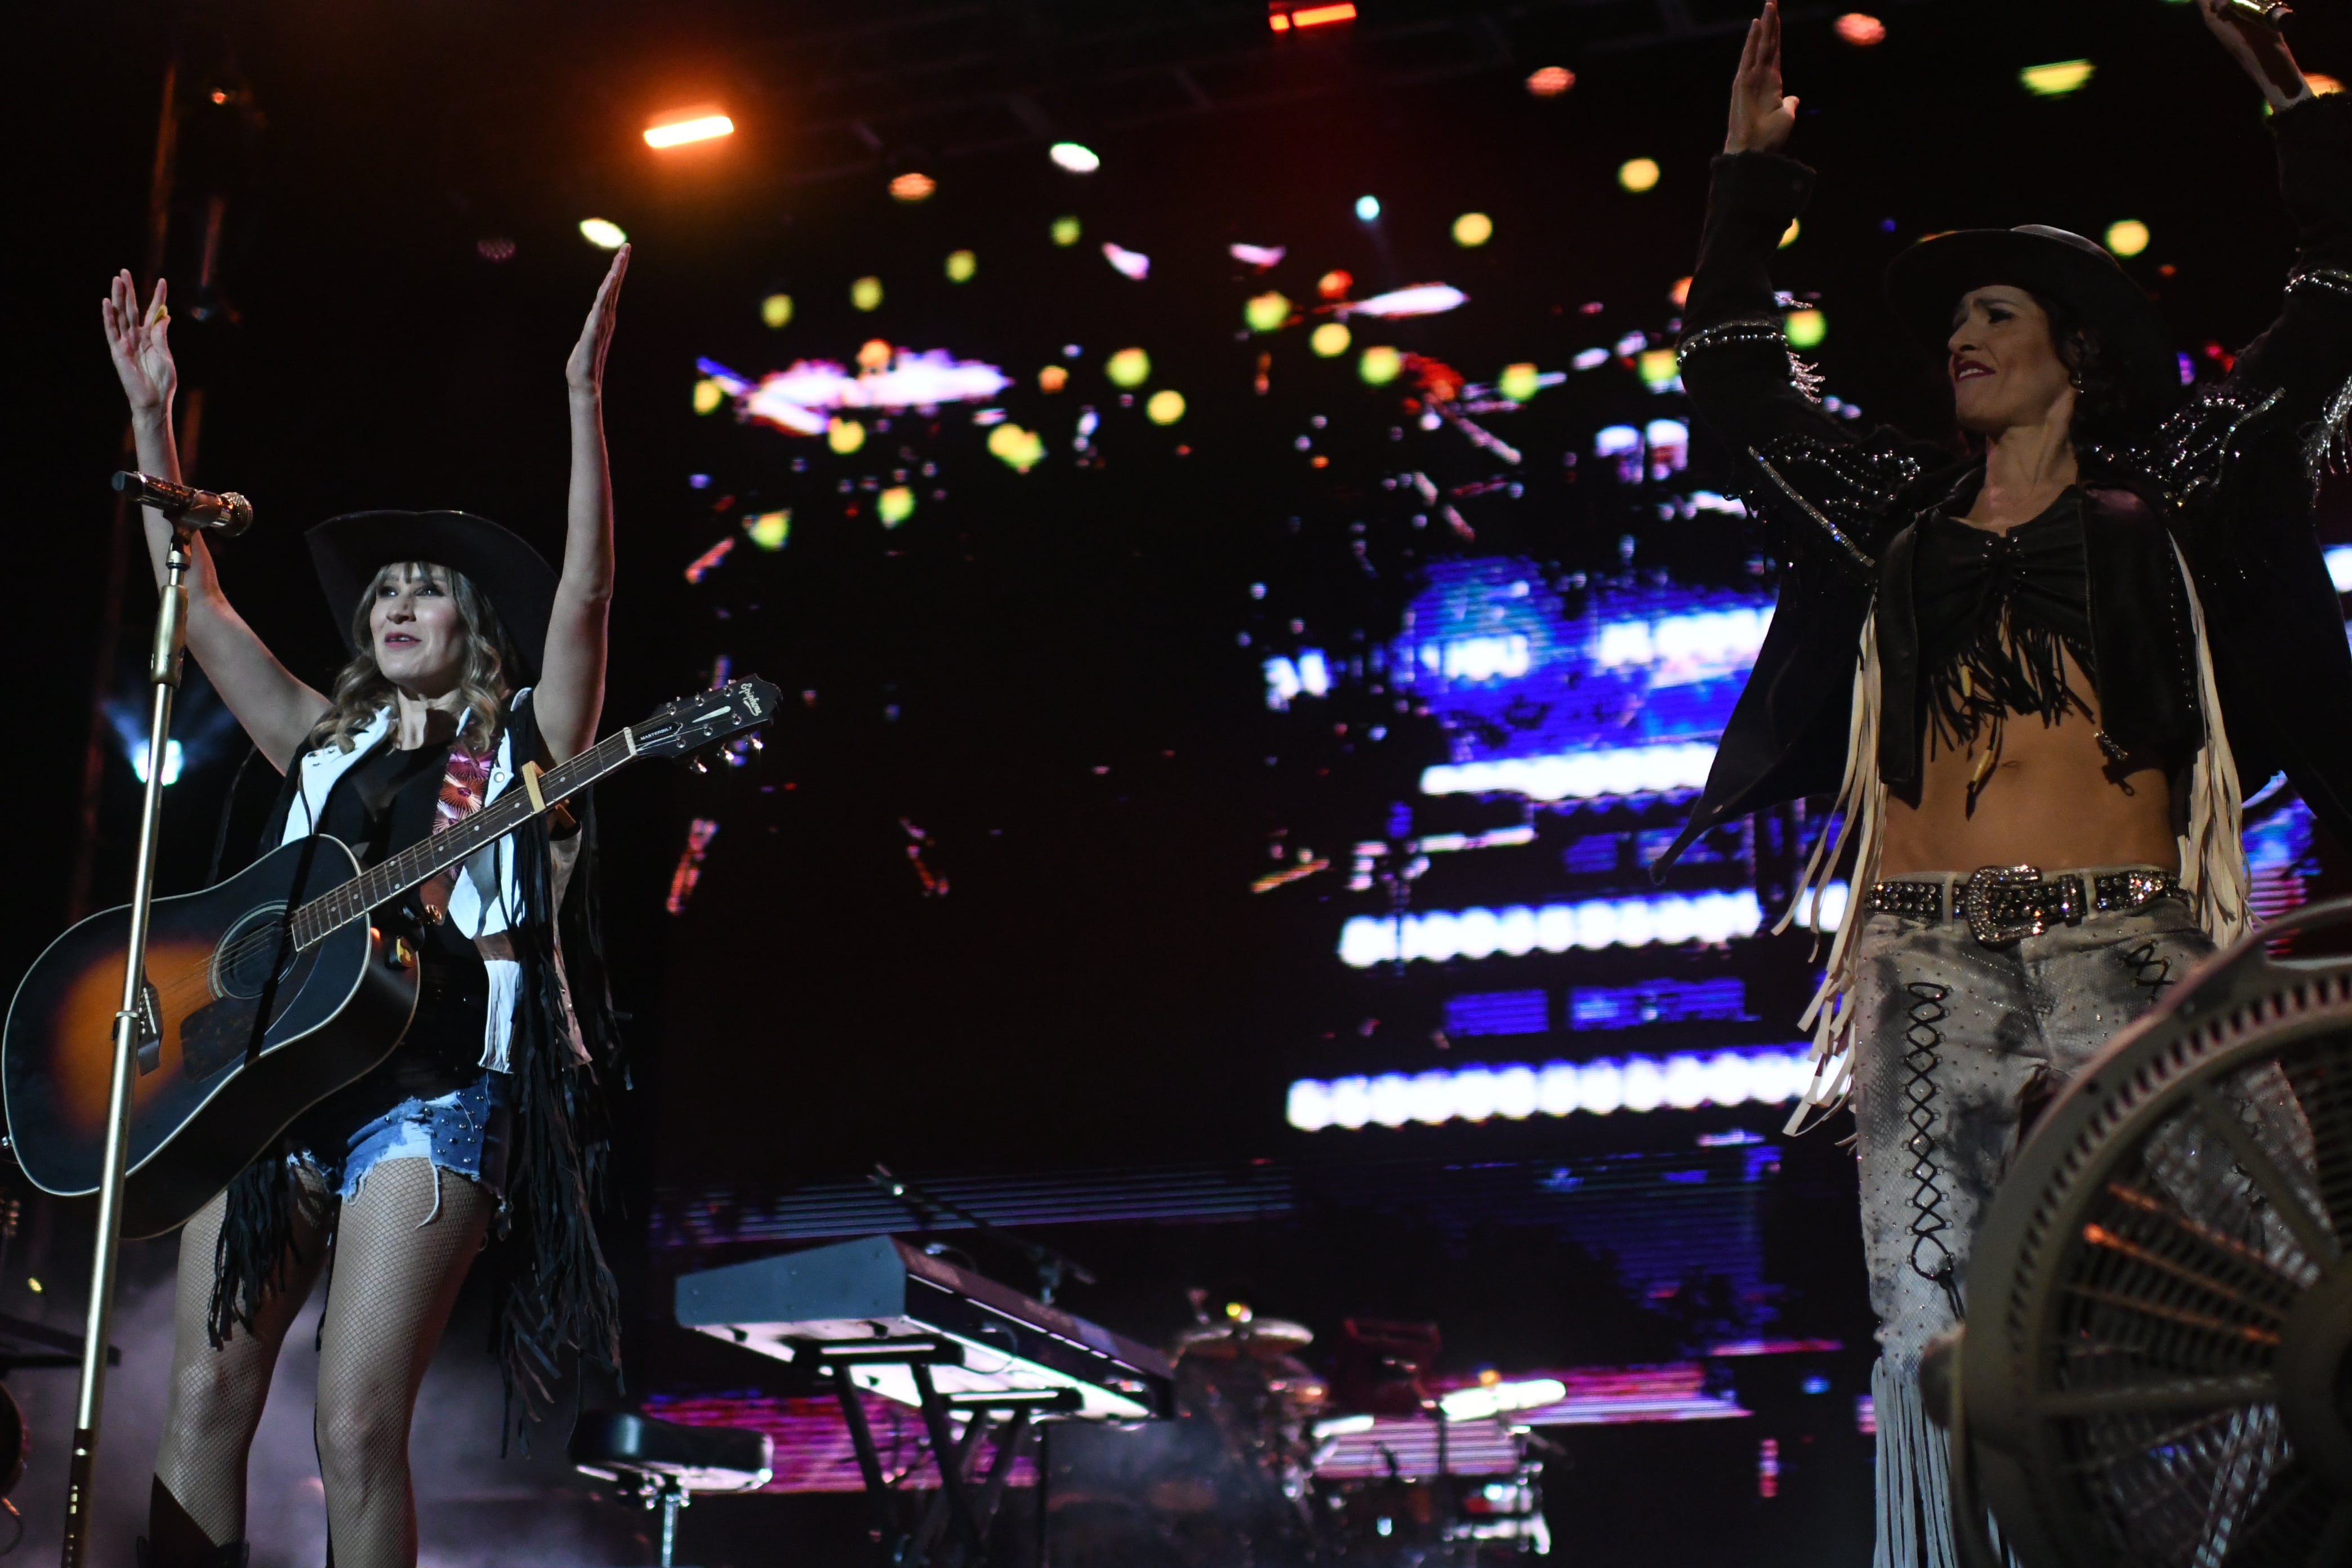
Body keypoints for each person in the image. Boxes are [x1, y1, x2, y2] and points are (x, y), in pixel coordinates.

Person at [1659, 4, 2352, 1562]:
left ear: (2073, 354)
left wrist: (2298, 109)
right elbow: (1733, 377)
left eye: (1993, 317)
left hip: (2134, 948)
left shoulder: (2165, 493)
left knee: (2279, 1285)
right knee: (1934, 1331)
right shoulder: (1896, 509)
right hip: (1930, 961)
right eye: (1954, 322)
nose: (1961, 342)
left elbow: (2334, 308)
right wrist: (1746, 182)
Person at [99, 243, 632, 1567]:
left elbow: (587, 594)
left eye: (427, 589)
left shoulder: (518, 749)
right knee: (205, 1394)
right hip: (276, 1084)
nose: (399, 602)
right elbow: (197, 600)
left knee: (350, 1427)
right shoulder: (321, 747)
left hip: (437, 1093)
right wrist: (152, 413)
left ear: (473, 626)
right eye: (385, 590)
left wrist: (581, 397)